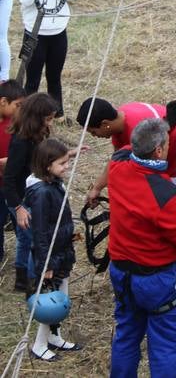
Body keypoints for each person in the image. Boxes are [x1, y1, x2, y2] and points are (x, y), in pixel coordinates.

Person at [107, 117, 176, 378]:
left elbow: (125, 151)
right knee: (165, 345)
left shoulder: (116, 168)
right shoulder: (165, 194)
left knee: (126, 335)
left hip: (121, 273)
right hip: (156, 280)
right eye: (166, 144)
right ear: (158, 151)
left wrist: (165, 121)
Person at [77, 96, 176, 273]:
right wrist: (97, 187)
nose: (95, 136)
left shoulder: (137, 130)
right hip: (164, 163)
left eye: (93, 132)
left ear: (105, 123)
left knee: (175, 216)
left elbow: (150, 172)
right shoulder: (121, 120)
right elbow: (118, 159)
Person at [24, 137, 81, 361]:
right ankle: (39, 345)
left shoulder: (54, 184)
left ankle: (54, 336)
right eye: (62, 163)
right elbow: (40, 233)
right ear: (48, 165)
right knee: (52, 302)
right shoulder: (42, 193)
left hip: (61, 252)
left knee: (61, 296)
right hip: (50, 257)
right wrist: (46, 265)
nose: (67, 166)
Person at [16, 0, 78, 118]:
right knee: (33, 79)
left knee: (54, 77)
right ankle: (29, 116)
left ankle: (57, 113)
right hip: (35, 35)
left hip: (58, 34)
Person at [4, 92, 59, 291]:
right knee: (29, 239)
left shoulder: (38, 135)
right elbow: (9, 178)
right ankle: (27, 279)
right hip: (20, 199)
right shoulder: (21, 142)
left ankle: (24, 278)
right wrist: (18, 207)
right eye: (48, 119)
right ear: (36, 118)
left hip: (31, 195)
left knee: (27, 238)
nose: (51, 123)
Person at [0, 80, 26, 264]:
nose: (20, 110)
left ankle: (25, 260)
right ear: (3, 101)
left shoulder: (16, 123)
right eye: (17, 105)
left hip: (14, 186)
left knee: (22, 225)